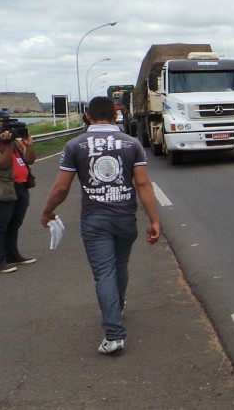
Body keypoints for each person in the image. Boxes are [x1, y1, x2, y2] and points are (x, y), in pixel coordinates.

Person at [40, 96, 162, 353]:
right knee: (119, 266)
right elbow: (142, 184)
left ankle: (114, 334)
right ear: (116, 116)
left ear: (88, 117)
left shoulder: (75, 145)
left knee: (104, 273)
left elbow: (62, 187)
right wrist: (154, 220)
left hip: (95, 219)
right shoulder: (133, 144)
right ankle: (117, 306)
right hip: (125, 217)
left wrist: (48, 211)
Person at [0, 114, 37, 273]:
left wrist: (29, 145)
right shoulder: (7, 144)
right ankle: (0, 260)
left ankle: (12, 255)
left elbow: (29, 160)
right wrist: (7, 144)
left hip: (21, 186)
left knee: (15, 223)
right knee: (1, 226)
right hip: (4, 188)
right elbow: (3, 164)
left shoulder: (14, 142)